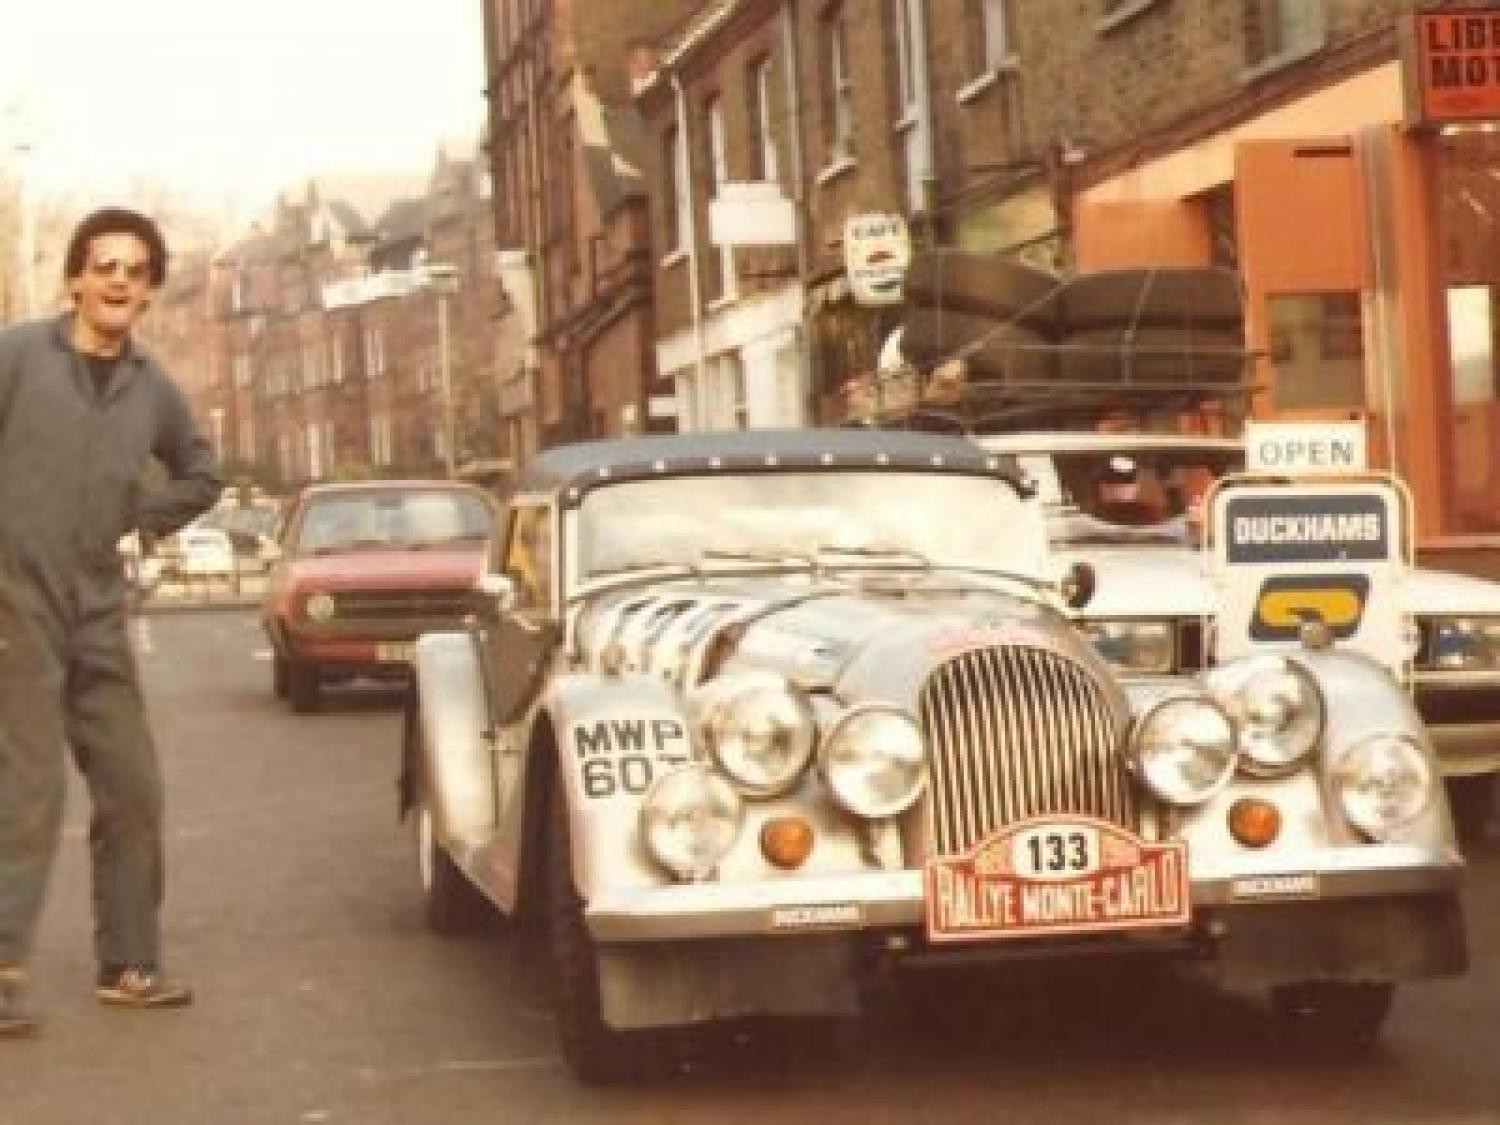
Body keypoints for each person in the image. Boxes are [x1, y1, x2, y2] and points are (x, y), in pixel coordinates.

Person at [0, 207, 222, 1037]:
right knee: (26, 792)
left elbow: (203, 473)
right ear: (75, 279)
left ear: (150, 290)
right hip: (13, 601)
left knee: (132, 787)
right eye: (103, 265)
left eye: (134, 269)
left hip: (97, 605)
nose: (118, 280)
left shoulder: (151, 385)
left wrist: (145, 515)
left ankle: (129, 962)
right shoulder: (18, 355)